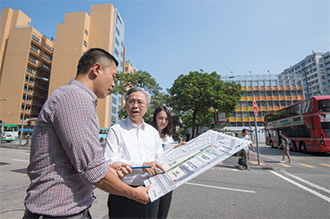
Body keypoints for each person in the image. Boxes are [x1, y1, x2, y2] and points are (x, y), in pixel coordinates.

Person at [23, 48, 150, 219]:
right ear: (96, 69)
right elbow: (91, 168)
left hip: (64, 208)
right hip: (58, 211)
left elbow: (80, 161)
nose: (113, 84)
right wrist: (133, 194)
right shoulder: (75, 98)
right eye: (113, 76)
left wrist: (107, 168)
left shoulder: (74, 98)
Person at [104, 87, 167, 219]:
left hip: (149, 192)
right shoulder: (116, 130)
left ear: (147, 107)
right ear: (126, 105)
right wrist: (141, 165)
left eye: (140, 102)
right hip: (123, 193)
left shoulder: (153, 132)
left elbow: (160, 159)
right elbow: (110, 162)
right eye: (131, 101)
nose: (135, 106)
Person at [150, 106, 186, 218]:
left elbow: (168, 153)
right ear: (154, 118)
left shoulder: (168, 137)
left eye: (166, 119)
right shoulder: (148, 134)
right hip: (152, 179)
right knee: (152, 214)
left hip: (166, 179)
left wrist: (178, 148)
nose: (163, 122)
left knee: (163, 214)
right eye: (160, 118)